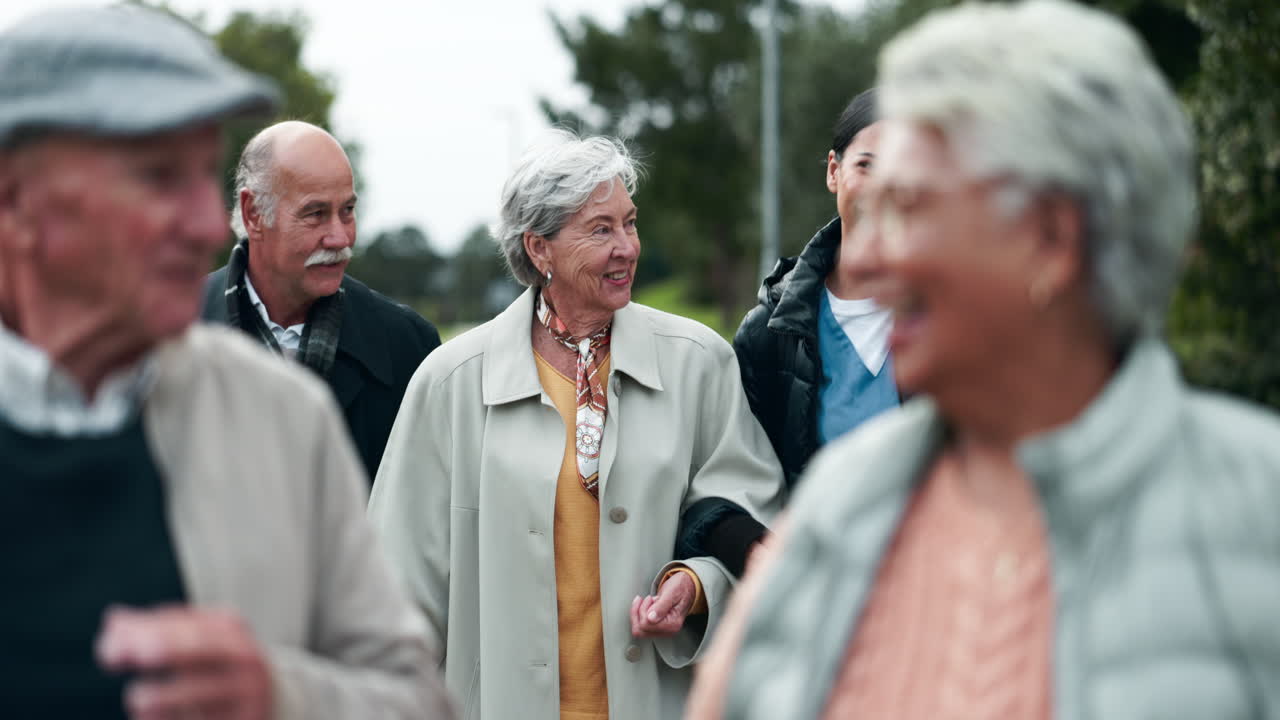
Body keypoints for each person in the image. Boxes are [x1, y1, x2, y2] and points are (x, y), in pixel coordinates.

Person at [687, 1, 1280, 718]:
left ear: (1052, 240)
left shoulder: (1256, 515)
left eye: (912, 208)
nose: (867, 257)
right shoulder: (834, 516)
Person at [0, 6, 452, 719]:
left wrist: (282, 695)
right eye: (156, 177)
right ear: (15, 202)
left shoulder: (284, 414)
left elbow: (419, 699)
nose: (211, 227)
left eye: (203, 177)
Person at [369, 130, 784, 720]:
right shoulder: (452, 382)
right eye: (600, 229)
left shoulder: (699, 362)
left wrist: (696, 584)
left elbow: (752, 510)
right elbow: (396, 586)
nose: (627, 247)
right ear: (539, 250)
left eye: (630, 223)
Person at [675, 89, 897, 576]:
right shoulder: (768, 334)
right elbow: (720, 491)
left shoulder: (971, 320)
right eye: (868, 166)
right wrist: (760, 558)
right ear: (833, 170)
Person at [203, 120, 441, 481]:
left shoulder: (408, 346)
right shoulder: (162, 338)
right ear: (253, 214)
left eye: (347, 210)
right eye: (315, 214)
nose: (339, 237)